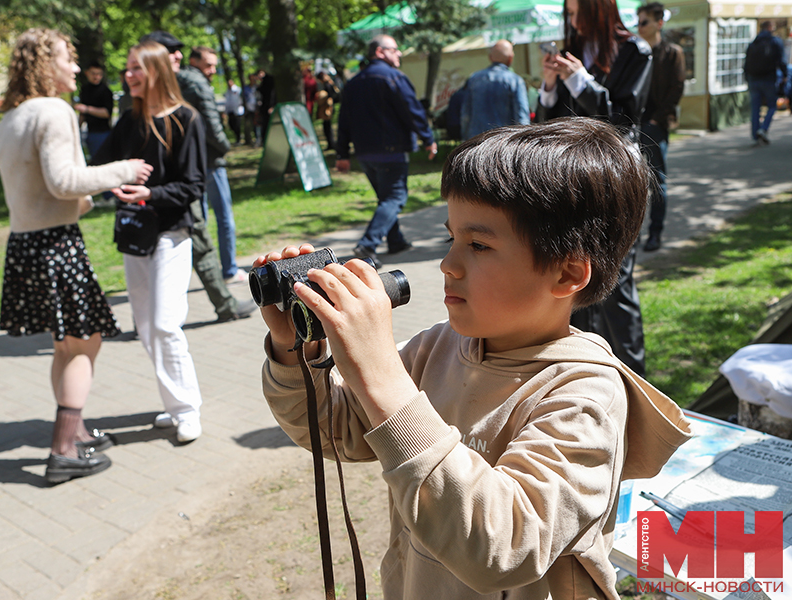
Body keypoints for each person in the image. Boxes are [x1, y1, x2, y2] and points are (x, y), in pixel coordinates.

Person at [256, 118, 692, 599]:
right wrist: (295, 349)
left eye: (479, 245)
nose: (448, 263)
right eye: (452, 238)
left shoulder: (585, 397)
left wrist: (381, 374)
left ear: (567, 273)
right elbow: (336, 433)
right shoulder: (435, 348)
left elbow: (504, 549)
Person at [0, 28, 153, 483]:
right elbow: (64, 180)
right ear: (46, 64)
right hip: (55, 244)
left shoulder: (12, 117)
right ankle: (64, 448)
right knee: (84, 341)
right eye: (68, 58)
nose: (76, 68)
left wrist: (82, 199)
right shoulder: (54, 110)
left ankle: (76, 431)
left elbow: (36, 187)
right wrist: (122, 170)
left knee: (66, 344)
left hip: (25, 244)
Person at [91, 40, 207, 443]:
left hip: (171, 235)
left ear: (157, 71)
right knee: (144, 327)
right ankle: (174, 404)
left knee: (164, 324)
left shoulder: (186, 119)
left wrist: (149, 195)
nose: (128, 75)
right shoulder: (129, 120)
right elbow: (100, 167)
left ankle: (187, 410)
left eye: (136, 68)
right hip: (134, 236)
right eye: (127, 67)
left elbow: (193, 185)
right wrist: (117, 184)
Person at [536, 0, 652, 377]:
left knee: (615, 282)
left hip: (617, 179)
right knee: (576, 278)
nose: (571, 22)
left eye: (575, 13)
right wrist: (551, 86)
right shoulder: (574, 52)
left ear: (597, 10)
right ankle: (585, 372)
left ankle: (634, 377)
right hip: (573, 178)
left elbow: (624, 119)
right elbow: (552, 125)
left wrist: (579, 80)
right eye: (567, 15)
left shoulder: (634, 51)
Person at [139, 31, 256, 322]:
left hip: (178, 183)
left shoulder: (172, 85)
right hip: (158, 186)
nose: (178, 56)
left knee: (197, 239)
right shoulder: (144, 89)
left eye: (178, 51)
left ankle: (224, 305)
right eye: (170, 51)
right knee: (152, 247)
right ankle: (149, 317)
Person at [336, 34, 437, 268]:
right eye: (394, 49)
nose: (399, 53)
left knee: (385, 198)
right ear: (380, 52)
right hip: (391, 151)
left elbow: (344, 121)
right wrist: (428, 138)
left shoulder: (353, 83)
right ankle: (368, 245)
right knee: (395, 197)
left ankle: (396, 241)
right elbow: (412, 111)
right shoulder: (394, 78)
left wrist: (342, 153)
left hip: (365, 154)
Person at [184, 46, 244, 284]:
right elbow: (211, 124)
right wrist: (224, 146)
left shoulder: (179, 81)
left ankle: (202, 272)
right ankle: (229, 269)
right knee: (224, 217)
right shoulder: (197, 84)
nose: (213, 70)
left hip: (192, 161)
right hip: (209, 159)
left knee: (200, 221)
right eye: (208, 64)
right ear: (193, 61)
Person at [636, 2, 686, 252]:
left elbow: (677, 88)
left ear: (659, 23)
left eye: (643, 21)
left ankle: (655, 233)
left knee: (657, 181)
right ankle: (631, 236)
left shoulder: (672, 52)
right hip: (634, 125)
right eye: (638, 22)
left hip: (655, 125)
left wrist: (656, 119)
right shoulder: (635, 51)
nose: (639, 27)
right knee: (632, 182)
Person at [461, 40, 530, 139]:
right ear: (510, 58)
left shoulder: (473, 79)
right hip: (503, 144)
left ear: (490, 57)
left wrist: (465, 140)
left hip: (477, 142)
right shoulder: (515, 81)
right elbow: (521, 116)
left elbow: (465, 114)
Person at [744, 20, 787, 145]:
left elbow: (746, 63)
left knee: (755, 108)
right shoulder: (775, 41)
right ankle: (763, 129)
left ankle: (755, 135)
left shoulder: (753, 43)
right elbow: (781, 60)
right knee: (772, 106)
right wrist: (785, 75)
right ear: (770, 28)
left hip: (753, 79)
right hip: (768, 78)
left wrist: (747, 78)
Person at [75, 60, 114, 158]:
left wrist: (87, 109)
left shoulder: (106, 91)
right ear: (87, 73)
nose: (96, 77)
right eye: (93, 73)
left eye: (99, 74)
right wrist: (76, 128)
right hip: (89, 132)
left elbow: (107, 113)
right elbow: (82, 114)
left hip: (102, 133)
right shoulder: (84, 89)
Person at [314, 71, 339, 151]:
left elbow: (333, 96)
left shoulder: (328, 84)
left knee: (327, 126)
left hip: (327, 108)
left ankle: (331, 143)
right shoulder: (330, 83)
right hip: (328, 107)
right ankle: (331, 143)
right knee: (327, 126)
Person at [224, 78, 244, 144]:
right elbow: (227, 102)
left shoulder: (237, 90)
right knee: (231, 124)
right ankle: (238, 137)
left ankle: (239, 139)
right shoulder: (227, 92)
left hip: (237, 111)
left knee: (237, 125)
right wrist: (225, 112)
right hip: (230, 111)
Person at [243, 72, 260, 146]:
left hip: (256, 109)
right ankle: (249, 140)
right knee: (248, 125)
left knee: (257, 125)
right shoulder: (246, 88)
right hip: (248, 109)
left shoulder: (257, 88)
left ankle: (258, 139)